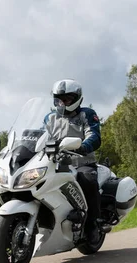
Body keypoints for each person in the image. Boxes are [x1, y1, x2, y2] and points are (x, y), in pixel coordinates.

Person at [44, 79, 102, 243]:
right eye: (58, 99)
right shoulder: (50, 118)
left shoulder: (87, 114)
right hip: (55, 164)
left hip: (81, 163)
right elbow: (39, 137)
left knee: (88, 180)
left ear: (76, 99)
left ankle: (93, 224)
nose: (62, 103)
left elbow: (94, 135)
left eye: (66, 99)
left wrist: (83, 146)